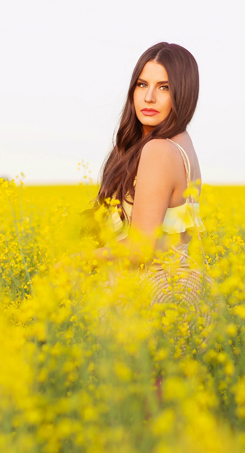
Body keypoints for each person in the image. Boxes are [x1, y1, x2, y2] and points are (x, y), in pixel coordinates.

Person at [85, 41, 212, 314]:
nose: (149, 97)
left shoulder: (158, 150)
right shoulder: (181, 144)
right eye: (142, 85)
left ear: (184, 92)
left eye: (164, 87)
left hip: (146, 301)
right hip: (177, 295)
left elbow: (140, 249)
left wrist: (79, 260)